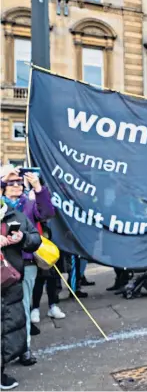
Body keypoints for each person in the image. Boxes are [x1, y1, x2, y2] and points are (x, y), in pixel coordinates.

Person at [1, 167, 56, 366]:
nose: (16, 185)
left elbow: (48, 213)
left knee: (21, 309)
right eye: (10, 182)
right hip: (1, 264)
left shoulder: (28, 204)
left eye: (18, 182)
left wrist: (38, 188)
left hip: (25, 263)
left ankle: (24, 349)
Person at [1, 197, 43, 389]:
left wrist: (23, 238)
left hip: (11, 281)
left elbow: (35, 238)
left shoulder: (15, 215)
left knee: (9, 326)